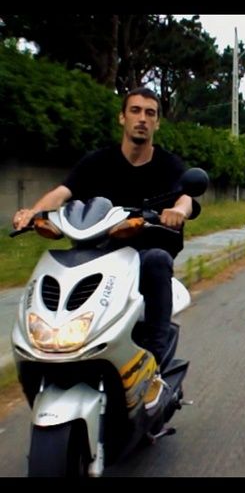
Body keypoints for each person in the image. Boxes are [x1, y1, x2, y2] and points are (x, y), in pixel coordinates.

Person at [13, 87, 194, 409]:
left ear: (157, 123)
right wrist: (33, 213)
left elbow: (186, 196)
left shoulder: (168, 164)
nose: (142, 119)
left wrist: (178, 211)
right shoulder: (98, 161)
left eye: (150, 113)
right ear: (122, 117)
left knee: (157, 260)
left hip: (141, 255)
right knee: (55, 263)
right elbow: (63, 192)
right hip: (96, 251)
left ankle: (153, 367)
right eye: (135, 111)